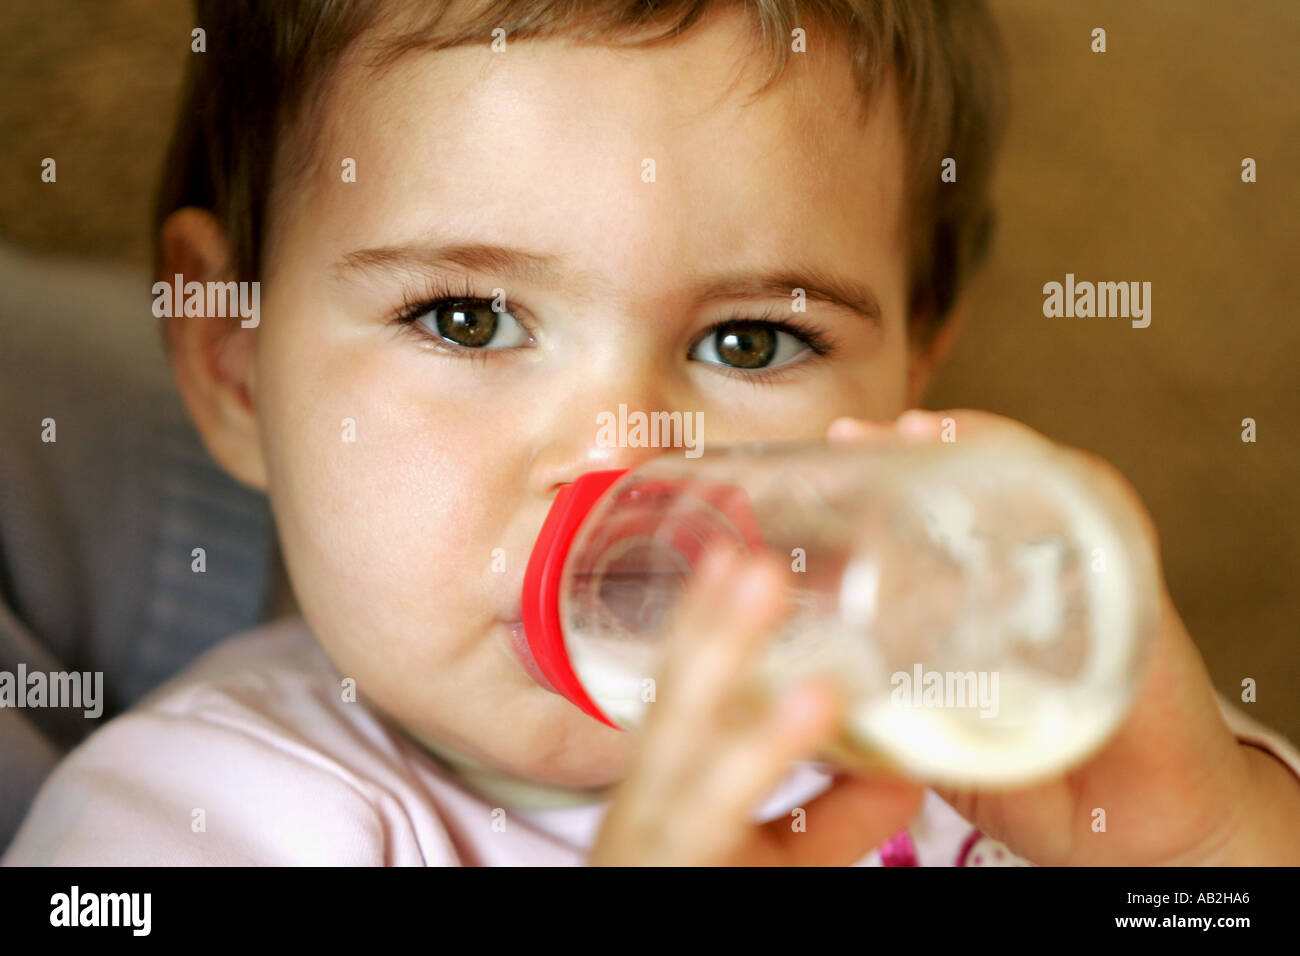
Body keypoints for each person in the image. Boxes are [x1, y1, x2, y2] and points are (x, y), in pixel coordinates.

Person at [6, 0, 1299, 866]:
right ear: (232, 363)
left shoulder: (967, 738)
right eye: (464, 318)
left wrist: (1209, 842)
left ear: (913, 384)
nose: (624, 450)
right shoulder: (194, 819)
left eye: (752, 342)